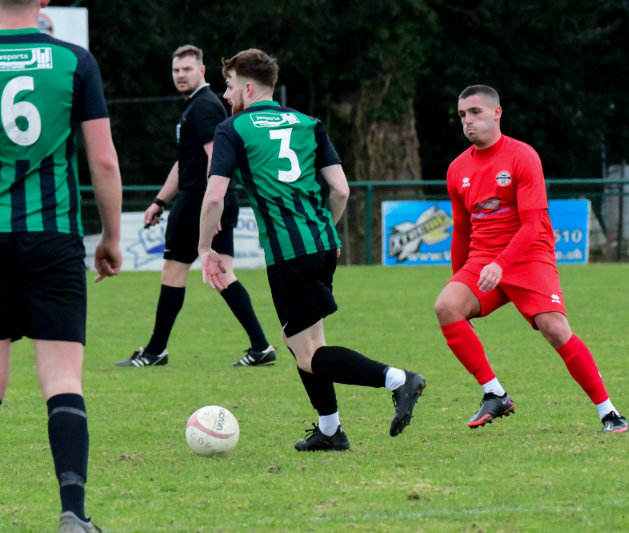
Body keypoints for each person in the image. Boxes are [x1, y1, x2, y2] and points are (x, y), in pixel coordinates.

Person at [198, 48, 426, 451]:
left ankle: (398, 380)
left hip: (289, 253)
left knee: (308, 354)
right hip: (322, 243)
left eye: (229, 85)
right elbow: (341, 190)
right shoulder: (308, 123)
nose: (225, 94)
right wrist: (324, 232)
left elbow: (215, 196)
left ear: (248, 88)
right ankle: (330, 430)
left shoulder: (233, 128)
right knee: (302, 340)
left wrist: (205, 247)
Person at [434, 85, 628, 433]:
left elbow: (532, 225)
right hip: (483, 260)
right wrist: (459, 282)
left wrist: (501, 264)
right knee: (447, 307)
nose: (468, 121)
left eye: (475, 112)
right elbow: (461, 231)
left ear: (497, 113)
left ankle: (609, 412)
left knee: (555, 329)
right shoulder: (457, 169)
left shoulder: (522, 157)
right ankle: (495, 394)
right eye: (462, 115)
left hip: (529, 255)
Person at [0, 0, 123, 531]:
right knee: (62, 379)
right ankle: (73, 512)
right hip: (52, 238)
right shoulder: (75, 61)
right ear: (45, 0)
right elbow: (104, 161)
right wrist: (111, 237)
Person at [116, 44, 275, 368]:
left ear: (201, 71)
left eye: (187, 69)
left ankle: (155, 352)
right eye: (176, 70)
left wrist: (211, 208)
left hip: (199, 201)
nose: (180, 75)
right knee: (223, 274)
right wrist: (160, 200)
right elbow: (184, 163)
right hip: (210, 199)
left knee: (173, 272)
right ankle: (261, 347)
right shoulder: (196, 106)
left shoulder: (203, 107)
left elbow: (215, 160)